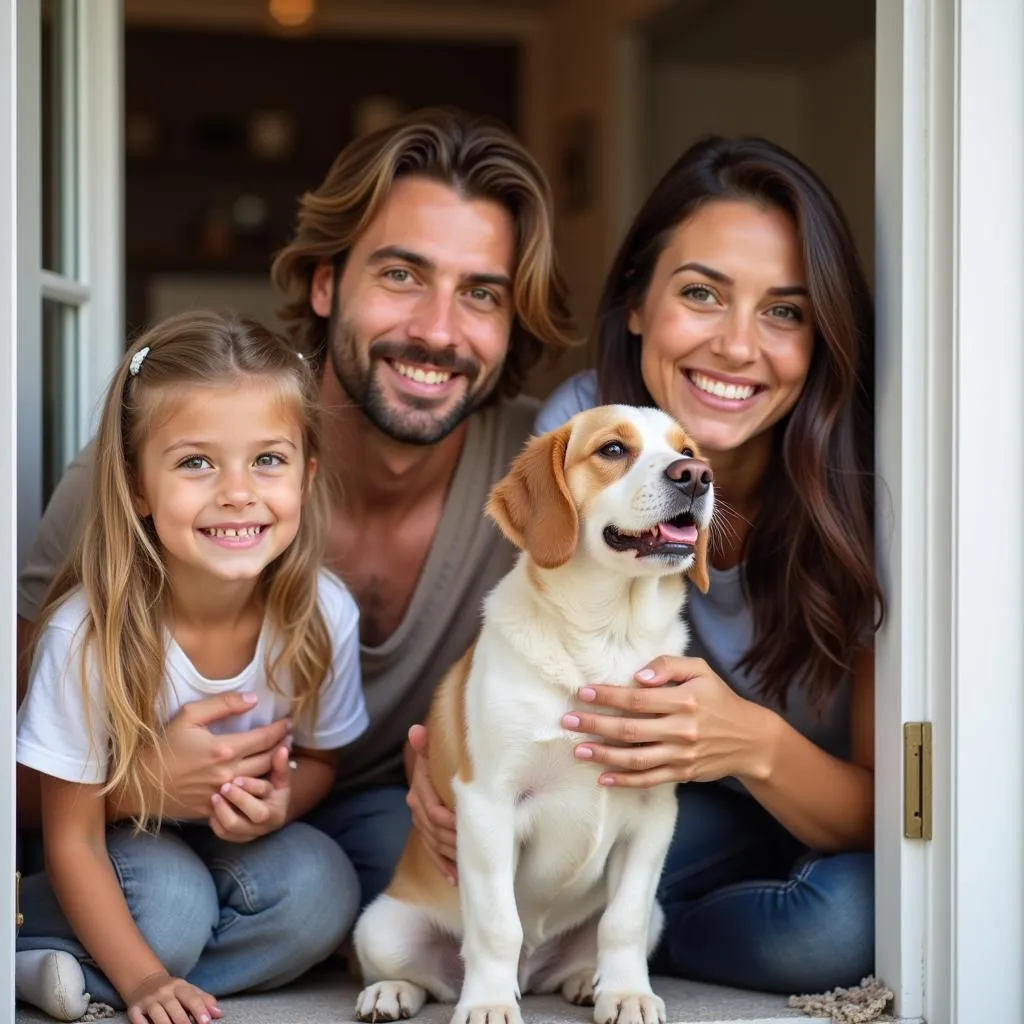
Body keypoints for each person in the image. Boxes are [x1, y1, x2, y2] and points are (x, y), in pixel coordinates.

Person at [16, 108, 575, 911]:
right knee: (166, 902)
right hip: (130, 818)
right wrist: (133, 788)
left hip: (344, 815)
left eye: (481, 294)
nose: (436, 330)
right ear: (325, 283)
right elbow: (18, 777)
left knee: (420, 893)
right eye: (400, 275)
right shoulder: (152, 476)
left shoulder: (542, 476)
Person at [407, 135, 884, 996]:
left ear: (821, 338)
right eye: (702, 294)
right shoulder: (587, 429)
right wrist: (458, 763)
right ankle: (609, 949)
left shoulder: (873, 490)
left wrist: (750, 743)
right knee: (414, 857)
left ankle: (632, 946)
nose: (738, 347)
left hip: (817, 809)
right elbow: (530, 645)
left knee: (848, 920)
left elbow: (890, 813)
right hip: (663, 801)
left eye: (785, 311)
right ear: (636, 302)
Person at [15, 312, 370, 1022]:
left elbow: (320, 762)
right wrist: (148, 979)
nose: (237, 492)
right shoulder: (87, 633)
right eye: (196, 462)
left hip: (231, 851)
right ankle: (88, 964)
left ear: (307, 472)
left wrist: (279, 803)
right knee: (172, 906)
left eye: (267, 460)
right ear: (137, 486)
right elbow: (72, 837)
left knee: (323, 887)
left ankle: (96, 973)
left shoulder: (322, 612)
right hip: (114, 852)